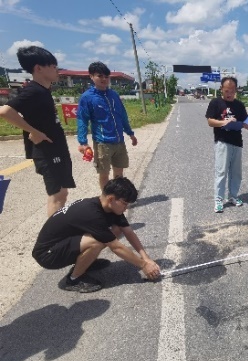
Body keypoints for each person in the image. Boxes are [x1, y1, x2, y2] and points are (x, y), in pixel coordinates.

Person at [32, 177, 161, 293]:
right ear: (111, 198)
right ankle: (73, 279)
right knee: (97, 241)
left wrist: (146, 258)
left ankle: (85, 262)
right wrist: (144, 266)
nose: (126, 208)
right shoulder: (91, 213)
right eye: (125, 203)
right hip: (47, 255)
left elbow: (128, 231)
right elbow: (116, 247)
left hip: (63, 243)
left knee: (116, 229)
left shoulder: (109, 207)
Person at [0, 46, 76, 217]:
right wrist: (33, 131)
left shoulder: (43, 91)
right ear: (38, 68)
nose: (57, 70)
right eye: (53, 66)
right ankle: (54, 239)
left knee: (61, 194)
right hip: (47, 151)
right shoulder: (33, 90)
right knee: (57, 195)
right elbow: (5, 111)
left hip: (56, 148)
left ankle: (57, 233)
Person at [77, 61, 137, 190]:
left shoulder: (113, 95)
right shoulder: (87, 97)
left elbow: (122, 116)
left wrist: (130, 133)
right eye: (100, 76)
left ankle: (118, 198)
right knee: (104, 175)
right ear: (91, 76)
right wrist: (83, 142)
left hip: (119, 141)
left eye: (106, 76)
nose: (104, 79)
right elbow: (82, 119)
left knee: (119, 174)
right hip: (102, 143)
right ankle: (106, 200)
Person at [205, 77, 248, 213]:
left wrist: (247, 125)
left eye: (232, 91)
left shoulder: (239, 105)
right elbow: (210, 121)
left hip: (237, 142)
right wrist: (224, 122)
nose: (229, 93)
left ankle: (233, 196)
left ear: (236, 90)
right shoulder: (216, 102)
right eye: (226, 90)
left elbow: (245, 122)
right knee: (221, 172)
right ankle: (218, 200)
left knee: (236, 173)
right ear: (221, 89)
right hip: (222, 141)